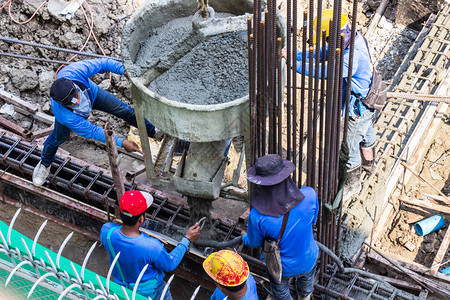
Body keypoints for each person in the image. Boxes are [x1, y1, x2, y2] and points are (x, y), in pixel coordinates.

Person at [283, 9, 376, 202]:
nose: (326, 43)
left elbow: (327, 70)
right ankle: (370, 164)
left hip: (356, 108)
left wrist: (295, 65)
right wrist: (297, 55)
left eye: (326, 39)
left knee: (349, 148)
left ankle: (353, 183)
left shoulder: (352, 55)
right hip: (368, 99)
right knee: (366, 136)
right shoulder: (353, 38)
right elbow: (322, 54)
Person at [32, 58, 159, 186]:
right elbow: (92, 131)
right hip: (74, 115)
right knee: (58, 137)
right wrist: (122, 142)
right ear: (62, 103)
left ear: (73, 85)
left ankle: (154, 132)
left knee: (124, 110)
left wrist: (123, 71)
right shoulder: (64, 114)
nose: (76, 101)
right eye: (69, 102)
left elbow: (104, 63)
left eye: (75, 95)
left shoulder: (75, 71)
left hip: (92, 94)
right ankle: (44, 164)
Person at [242, 154, 319, 300]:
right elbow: (313, 220)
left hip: (281, 268)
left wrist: (243, 236)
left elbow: (254, 242)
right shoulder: (309, 195)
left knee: (281, 293)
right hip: (308, 258)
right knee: (306, 288)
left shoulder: (257, 216)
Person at [100, 190, 201, 300]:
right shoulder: (152, 246)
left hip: (122, 286)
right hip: (149, 291)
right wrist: (187, 240)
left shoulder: (107, 232)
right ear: (141, 218)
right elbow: (170, 264)